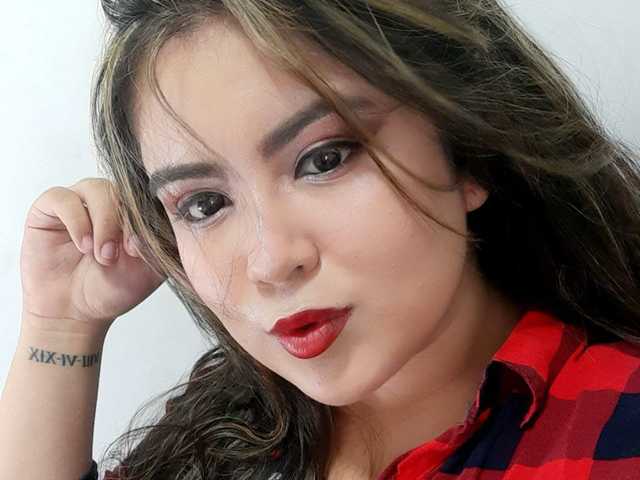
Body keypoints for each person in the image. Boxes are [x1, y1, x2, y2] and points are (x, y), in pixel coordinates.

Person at [1, 0, 639, 478]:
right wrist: (61, 324)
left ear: (468, 148)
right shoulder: (225, 432)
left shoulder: (616, 430)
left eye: (325, 159)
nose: (272, 261)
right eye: (204, 204)